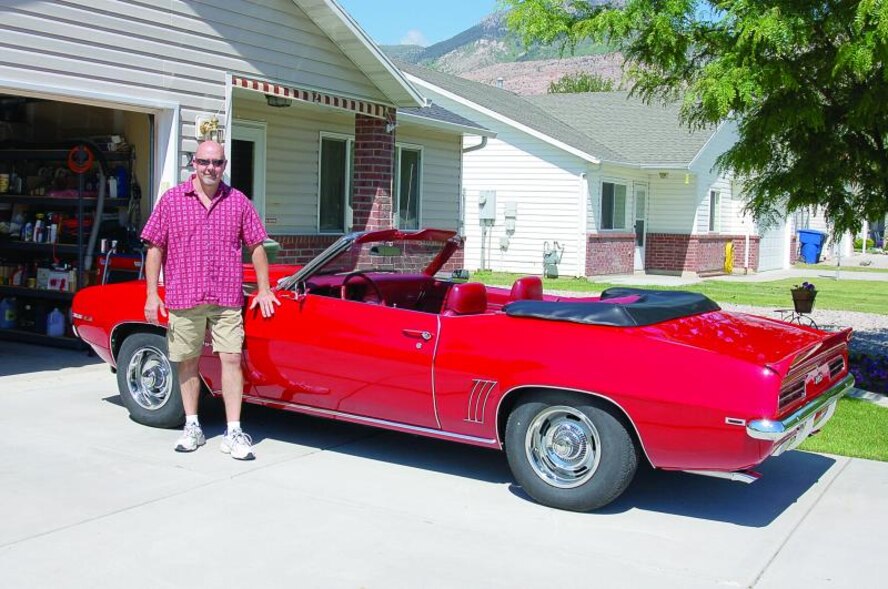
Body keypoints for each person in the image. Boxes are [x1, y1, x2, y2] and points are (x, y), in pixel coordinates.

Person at [141, 140, 279, 460]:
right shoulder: (172, 200)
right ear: (194, 163)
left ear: (224, 164)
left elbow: (257, 245)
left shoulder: (238, 201)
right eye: (204, 162)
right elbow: (155, 248)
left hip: (226, 297)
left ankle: (233, 431)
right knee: (187, 361)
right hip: (183, 295)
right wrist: (151, 294)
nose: (210, 168)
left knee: (231, 358)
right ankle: (192, 426)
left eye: (216, 163)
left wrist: (265, 288)